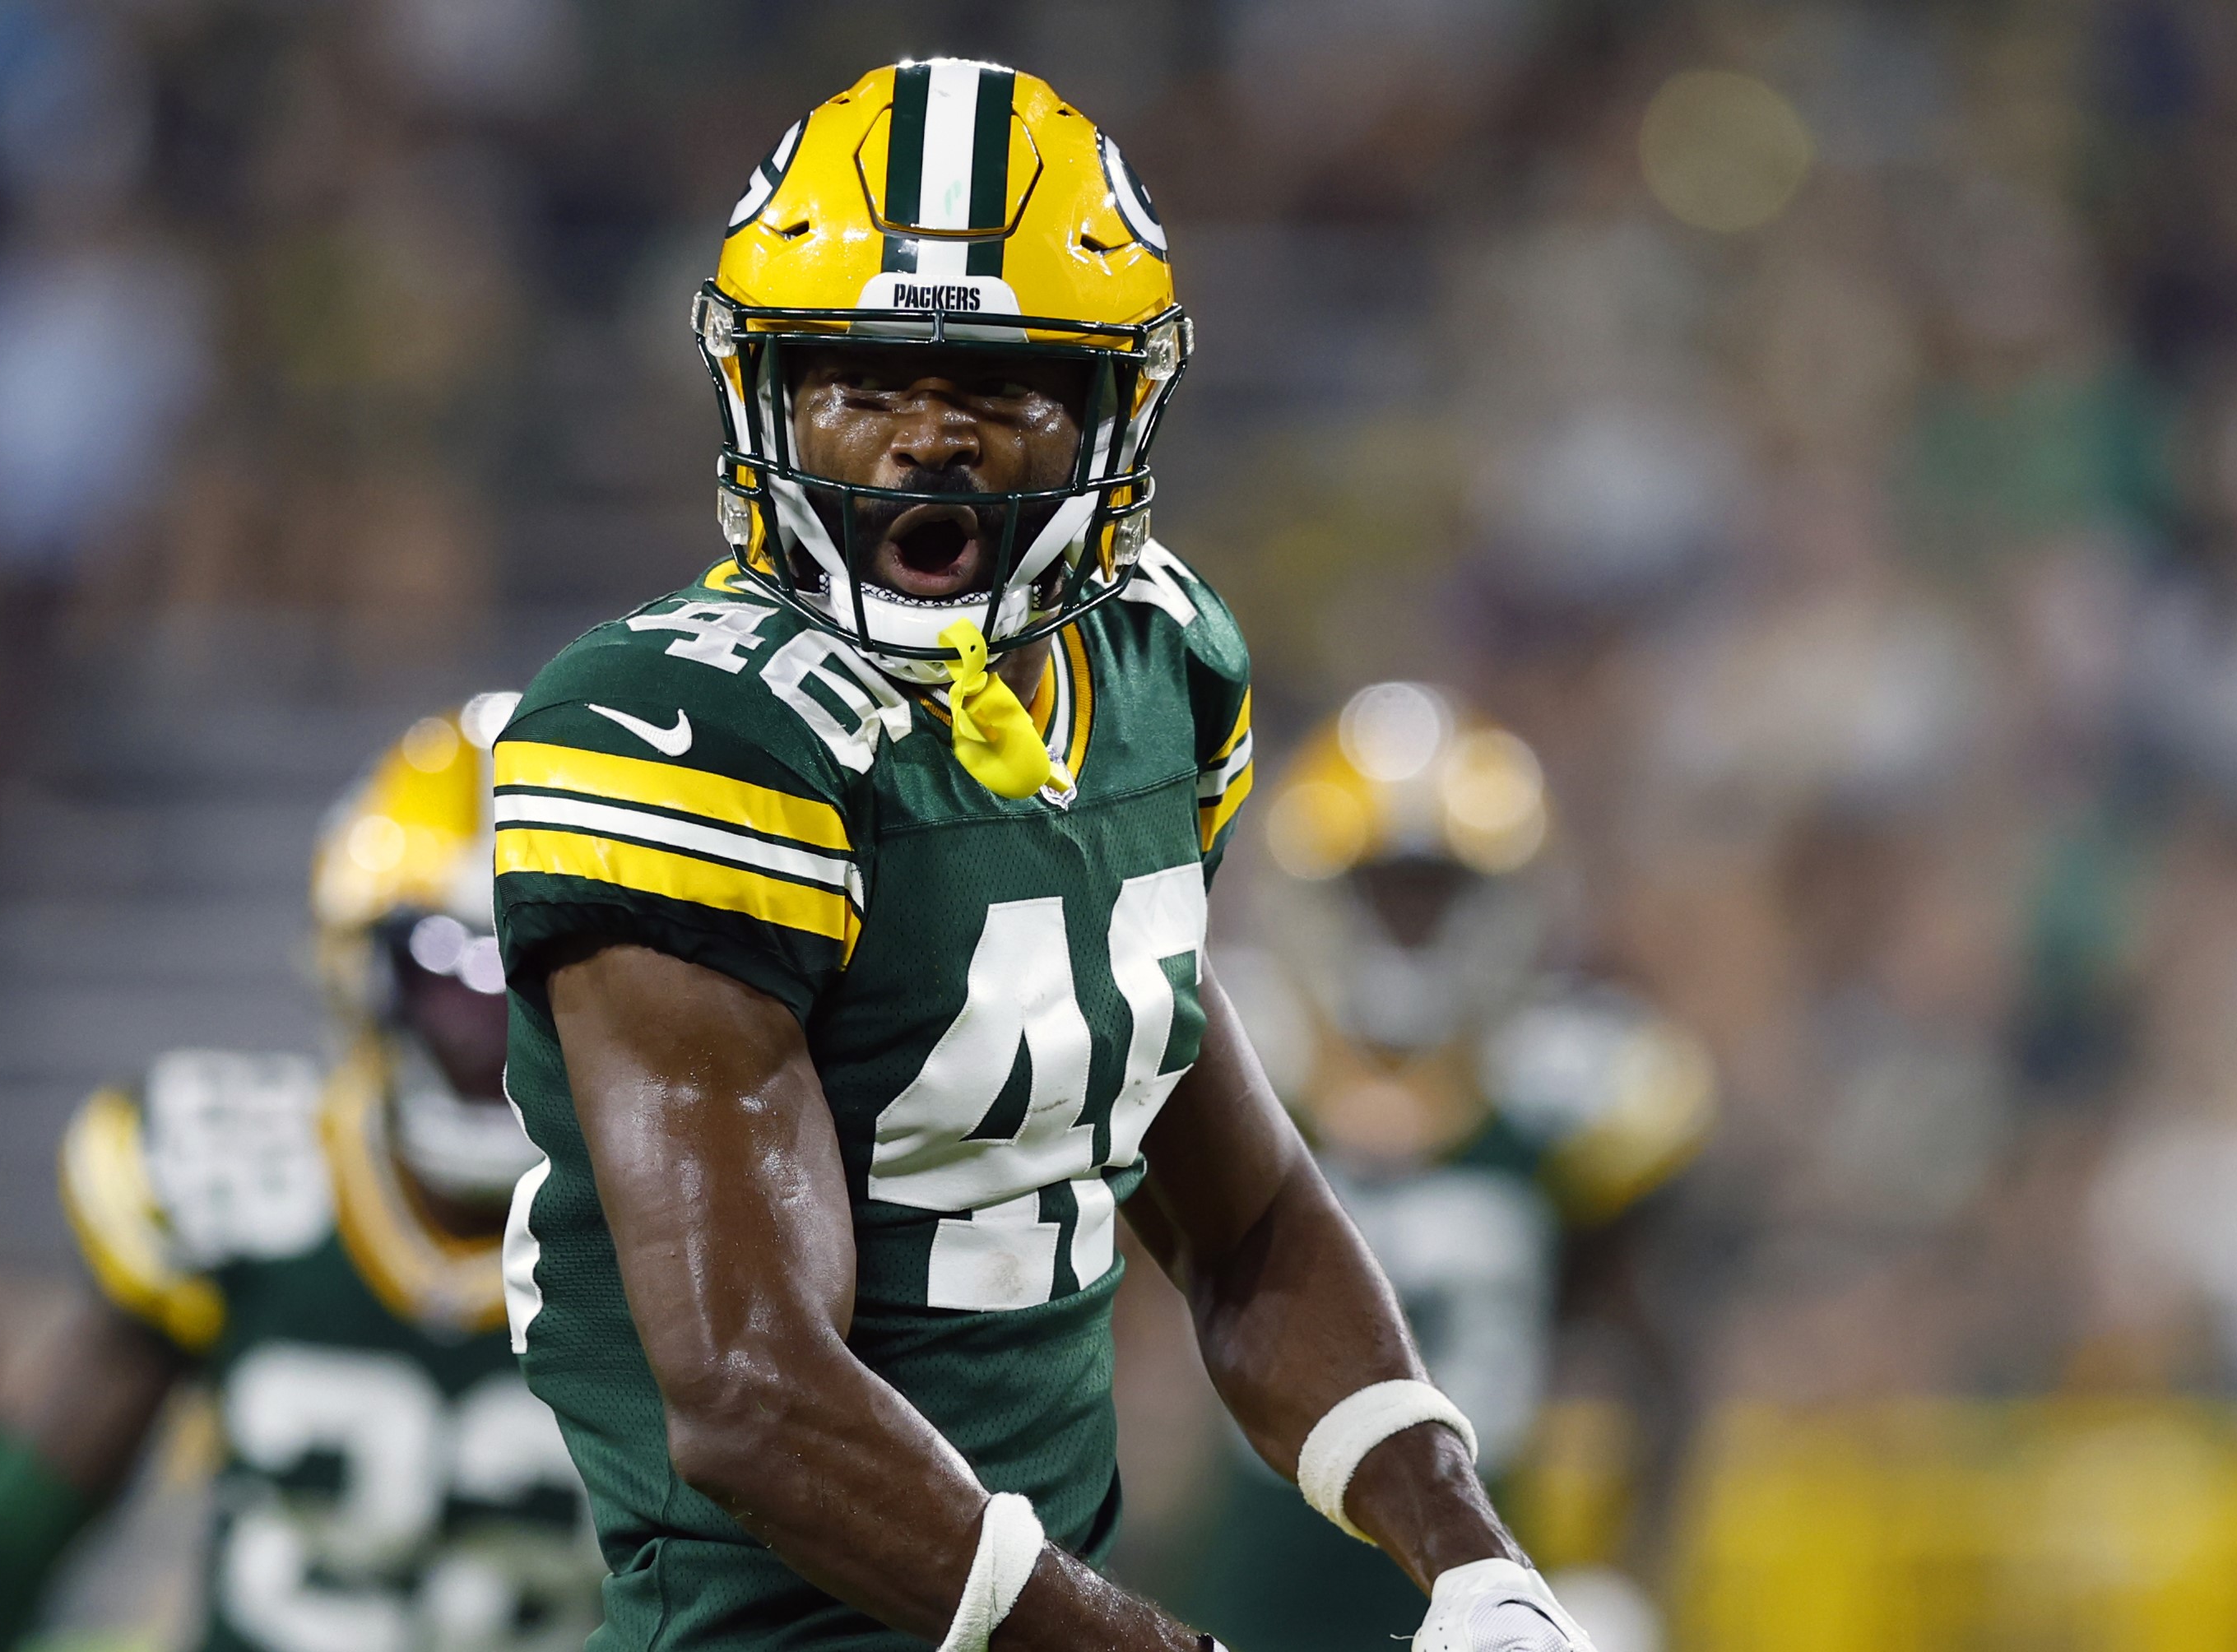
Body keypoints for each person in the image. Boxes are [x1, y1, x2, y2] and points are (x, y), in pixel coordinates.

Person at [489, 58, 1603, 1652]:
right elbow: (747, 1391)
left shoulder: (1155, 667)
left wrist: (1468, 1553)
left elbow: (1244, 1219)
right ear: (763, 391)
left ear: (1107, 406)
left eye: (997, 383)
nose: (920, 440)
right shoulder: (674, 730)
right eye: (856, 378)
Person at [0, 694, 601, 1652]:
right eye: (453, 978)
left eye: (542, 981)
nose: (498, 1037)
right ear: (361, 974)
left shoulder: (676, 1236)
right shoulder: (240, 1185)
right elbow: (6, 1540)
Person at [1177, 683, 1714, 1652]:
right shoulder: (1231, 1064)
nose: (1409, 923)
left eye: (1437, 891)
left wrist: (1624, 1574)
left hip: (1480, 1595)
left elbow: (1658, 1369)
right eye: (1383, 888)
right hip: (1251, 1592)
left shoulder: (1567, 1094)